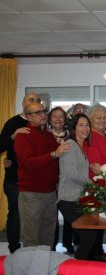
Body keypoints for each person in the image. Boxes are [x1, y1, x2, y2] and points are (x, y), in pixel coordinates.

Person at [14, 103, 71, 248]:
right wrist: (54, 154)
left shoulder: (47, 135)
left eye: (43, 111)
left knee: (48, 238)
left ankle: (46, 268)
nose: (42, 115)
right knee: (31, 239)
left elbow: (57, 160)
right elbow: (29, 163)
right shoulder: (22, 136)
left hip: (51, 193)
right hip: (31, 195)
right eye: (37, 112)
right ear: (28, 116)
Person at [0, 93, 40, 253]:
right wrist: (13, 136)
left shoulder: (41, 123)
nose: (34, 103)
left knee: (34, 218)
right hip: (15, 181)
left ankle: (33, 251)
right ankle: (14, 251)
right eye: (31, 100)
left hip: (35, 181)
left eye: (37, 101)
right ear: (23, 103)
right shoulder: (13, 122)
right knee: (16, 217)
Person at [57, 113, 98, 260]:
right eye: (81, 125)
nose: (85, 128)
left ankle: (91, 263)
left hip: (80, 198)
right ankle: (76, 267)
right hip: (68, 199)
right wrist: (93, 184)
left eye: (87, 125)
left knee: (95, 227)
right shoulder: (70, 145)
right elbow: (71, 174)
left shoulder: (81, 147)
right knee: (88, 235)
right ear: (74, 128)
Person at [84, 104, 106, 263]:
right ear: (90, 119)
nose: (103, 120)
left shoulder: (102, 136)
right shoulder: (91, 137)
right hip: (95, 186)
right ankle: (93, 257)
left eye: (105, 117)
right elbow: (96, 167)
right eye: (99, 117)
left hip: (105, 186)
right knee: (94, 224)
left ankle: (98, 252)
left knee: (100, 223)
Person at [48, 106, 75, 253]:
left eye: (61, 116)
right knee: (52, 215)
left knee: (69, 214)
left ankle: (67, 243)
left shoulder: (71, 135)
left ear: (65, 119)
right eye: (54, 116)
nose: (58, 119)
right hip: (52, 180)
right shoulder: (45, 135)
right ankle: (52, 244)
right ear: (50, 119)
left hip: (68, 181)